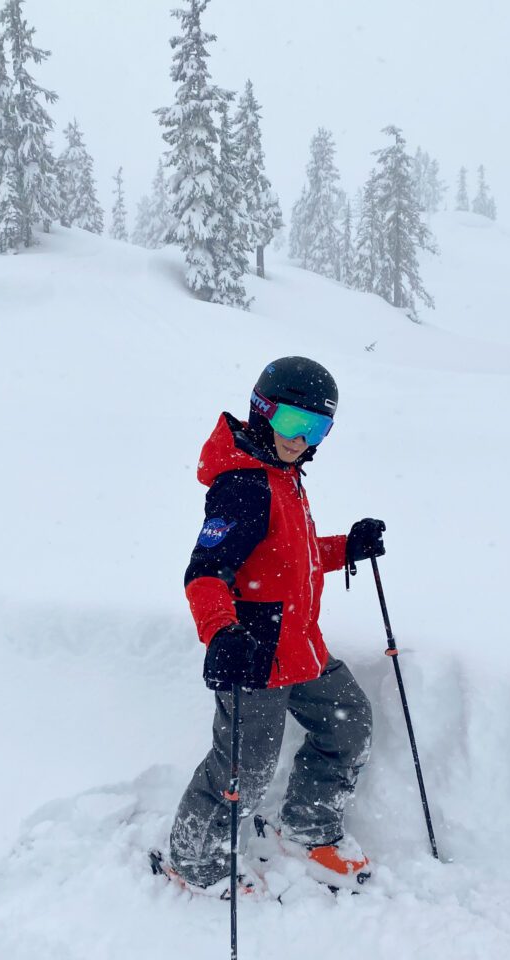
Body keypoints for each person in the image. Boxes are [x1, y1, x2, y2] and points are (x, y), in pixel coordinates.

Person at [168, 356, 386, 894]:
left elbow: (293, 558)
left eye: (317, 428)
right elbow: (204, 574)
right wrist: (221, 633)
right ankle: (193, 862)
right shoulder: (244, 485)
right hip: (256, 654)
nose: (302, 438)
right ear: (263, 412)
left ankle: (308, 826)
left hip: (299, 646)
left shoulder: (283, 475)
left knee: (348, 721)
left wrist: (345, 548)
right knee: (244, 769)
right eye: (293, 422)